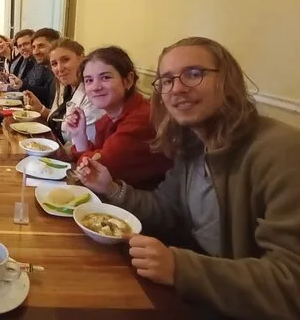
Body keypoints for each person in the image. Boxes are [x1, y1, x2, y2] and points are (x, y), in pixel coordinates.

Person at [75, 37, 300, 320]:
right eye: (167, 80)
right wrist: (110, 188)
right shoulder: (192, 145)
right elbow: (167, 209)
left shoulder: (282, 150)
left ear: (227, 80)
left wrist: (181, 267)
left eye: (194, 74)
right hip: (195, 291)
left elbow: (290, 281)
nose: (177, 88)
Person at [63, 46, 171, 189]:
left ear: (128, 80)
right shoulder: (108, 118)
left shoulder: (142, 119)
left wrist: (85, 154)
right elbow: (95, 158)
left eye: (105, 77)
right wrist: (78, 136)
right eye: (89, 80)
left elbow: (95, 169)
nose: (95, 87)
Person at [23, 38, 103, 143]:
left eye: (65, 60)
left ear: (82, 59)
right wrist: (41, 109)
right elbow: (60, 121)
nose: (60, 69)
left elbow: (88, 144)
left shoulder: (93, 95)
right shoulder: (64, 86)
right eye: (54, 64)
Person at [9, 27, 60, 108]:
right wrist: (21, 85)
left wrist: (42, 110)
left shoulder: (58, 71)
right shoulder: (37, 64)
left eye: (41, 46)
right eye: (34, 47)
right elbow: (46, 93)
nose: (35, 52)